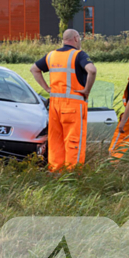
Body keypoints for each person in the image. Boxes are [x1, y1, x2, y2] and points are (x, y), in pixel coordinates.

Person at [29, 29, 97, 171]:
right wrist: (87, 91)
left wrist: (47, 89)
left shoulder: (51, 55)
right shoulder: (79, 55)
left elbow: (34, 69)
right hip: (73, 105)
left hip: (54, 106)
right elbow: (92, 70)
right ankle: (73, 175)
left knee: (56, 142)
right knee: (74, 141)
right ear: (76, 39)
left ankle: (55, 173)